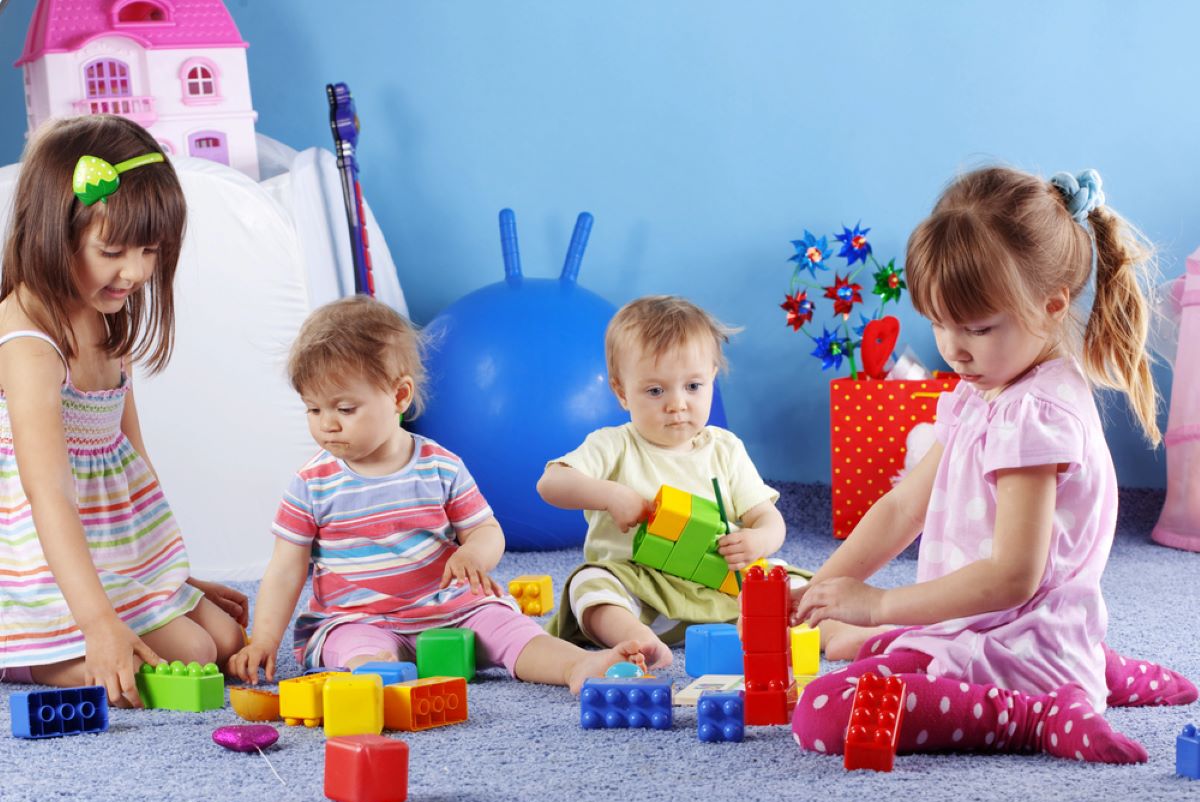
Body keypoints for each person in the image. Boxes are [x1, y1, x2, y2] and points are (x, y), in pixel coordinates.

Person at [789, 166, 1196, 765]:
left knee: (824, 713)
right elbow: (905, 506)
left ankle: (1041, 712)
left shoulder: (1034, 416)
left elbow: (1012, 577)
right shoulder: (983, 389)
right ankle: (1089, 660)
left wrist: (878, 604)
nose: (953, 348)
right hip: (989, 628)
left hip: (1016, 649)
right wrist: (814, 591)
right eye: (939, 323)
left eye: (976, 328)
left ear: (1052, 306)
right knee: (858, 642)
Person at [228, 295, 645, 691]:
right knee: (360, 651)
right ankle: (378, 684)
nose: (327, 424)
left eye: (345, 408)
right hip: (355, 618)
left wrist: (473, 554)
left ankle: (576, 665)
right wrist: (263, 639)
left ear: (399, 395)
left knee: (508, 626)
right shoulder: (311, 483)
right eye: (313, 410)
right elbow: (286, 568)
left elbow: (487, 530)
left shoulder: (439, 465)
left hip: (451, 609)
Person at [0, 116, 247, 707]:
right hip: (36, 564)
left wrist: (166, 576)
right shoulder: (31, 345)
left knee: (225, 636)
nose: (135, 272)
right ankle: (30, 660)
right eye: (112, 251)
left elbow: (132, 459)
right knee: (189, 653)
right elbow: (49, 496)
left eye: (150, 252)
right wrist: (98, 623)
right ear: (55, 234)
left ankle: (112, 623)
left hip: (108, 551)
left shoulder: (105, 317)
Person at [538, 295, 792, 668]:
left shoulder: (724, 448)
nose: (677, 404)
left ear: (712, 381)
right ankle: (637, 641)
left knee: (790, 581)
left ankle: (836, 633)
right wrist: (609, 495)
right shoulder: (614, 444)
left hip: (718, 589)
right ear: (622, 392)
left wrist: (758, 540)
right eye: (656, 391)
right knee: (588, 583)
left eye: (693, 386)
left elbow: (768, 518)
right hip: (641, 592)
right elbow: (550, 483)